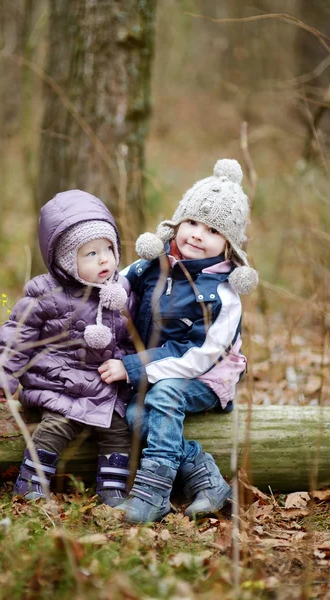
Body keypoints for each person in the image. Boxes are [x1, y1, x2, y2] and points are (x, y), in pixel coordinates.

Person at [98, 159, 258, 523]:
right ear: (177, 223)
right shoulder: (156, 263)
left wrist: (134, 367)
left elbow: (199, 357)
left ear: (229, 246)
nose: (197, 235)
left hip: (206, 376)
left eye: (212, 230)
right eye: (191, 222)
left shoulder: (223, 295)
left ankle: (153, 492)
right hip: (159, 369)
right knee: (138, 413)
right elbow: (120, 283)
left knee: (164, 393)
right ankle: (206, 476)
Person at [0, 190, 137, 506]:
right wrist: (1, 374)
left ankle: (112, 488)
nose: (104, 258)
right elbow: (17, 336)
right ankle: (30, 482)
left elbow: (131, 338)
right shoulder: (46, 295)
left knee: (119, 430)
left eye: (108, 248)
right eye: (90, 254)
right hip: (60, 382)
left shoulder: (120, 292)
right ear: (67, 261)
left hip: (105, 385)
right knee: (56, 426)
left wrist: (131, 368)